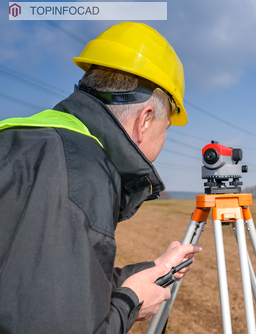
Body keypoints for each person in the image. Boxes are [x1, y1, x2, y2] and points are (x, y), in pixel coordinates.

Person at [0, 22, 202, 333]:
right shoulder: (78, 173)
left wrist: (155, 270)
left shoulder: (25, 141)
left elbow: (38, 284)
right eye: (166, 132)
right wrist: (131, 304)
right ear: (146, 120)